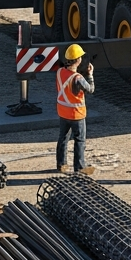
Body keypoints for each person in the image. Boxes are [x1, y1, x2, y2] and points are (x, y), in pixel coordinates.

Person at [55, 43, 96, 175]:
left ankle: (61, 164)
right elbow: (90, 89)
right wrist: (90, 75)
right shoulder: (78, 78)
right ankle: (80, 166)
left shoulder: (60, 72)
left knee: (63, 138)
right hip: (76, 114)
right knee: (79, 140)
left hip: (63, 112)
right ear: (78, 60)